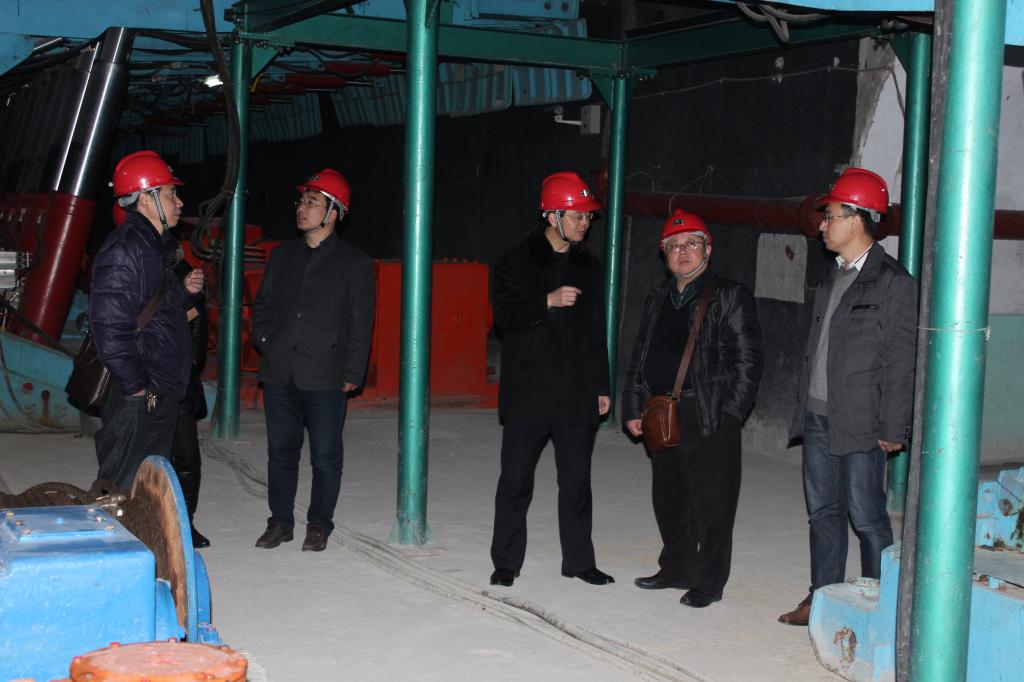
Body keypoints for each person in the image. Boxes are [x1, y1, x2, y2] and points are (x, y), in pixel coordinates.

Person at [778, 168, 917, 626]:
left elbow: (902, 360)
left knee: (867, 516)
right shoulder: (832, 276)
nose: (822, 224)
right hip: (818, 414)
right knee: (823, 512)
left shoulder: (893, 281)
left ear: (857, 219)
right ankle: (822, 598)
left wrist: (893, 426)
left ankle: (878, 607)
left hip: (861, 419)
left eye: (831, 215)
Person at [621, 209, 763, 608]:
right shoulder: (657, 298)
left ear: (708, 249)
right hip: (660, 411)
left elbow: (748, 360)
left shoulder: (729, 295)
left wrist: (731, 414)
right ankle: (676, 567)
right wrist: (632, 405)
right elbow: (639, 355)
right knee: (669, 496)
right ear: (663, 252)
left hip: (708, 413)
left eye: (692, 244)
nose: (682, 252)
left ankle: (709, 580)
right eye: (674, 246)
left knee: (712, 502)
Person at [489, 171, 614, 588]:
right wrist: (547, 301)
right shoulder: (514, 261)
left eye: (588, 217)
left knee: (577, 481)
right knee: (515, 480)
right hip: (528, 392)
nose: (585, 224)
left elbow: (595, 331)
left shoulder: (588, 266)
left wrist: (601, 385)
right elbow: (504, 317)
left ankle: (579, 561)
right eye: (578, 216)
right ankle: (506, 561)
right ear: (552, 216)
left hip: (576, 393)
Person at [252, 168, 375, 553]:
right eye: (301, 201)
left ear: (333, 213)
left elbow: (361, 322)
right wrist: (267, 341)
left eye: (312, 202)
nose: (301, 209)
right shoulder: (283, 255)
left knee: (325, 456)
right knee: (280, 453)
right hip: (280, 373)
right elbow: (263, 305)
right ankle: (280, 521)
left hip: (326, 375)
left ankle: (319, 524)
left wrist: (353, 371)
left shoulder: (354, 263)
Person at [91, 151, 204, 492]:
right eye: (171, 193)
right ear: (145, 198)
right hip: (142, 392)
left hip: (158, 387)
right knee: (124, 491)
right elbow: (110, 330)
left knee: (147, 491)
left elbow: (159, 311)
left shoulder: (152, 247)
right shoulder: (125, 250)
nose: (179, 202)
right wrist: (138, 388)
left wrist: (184, 293)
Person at [170, 256, 210, 548]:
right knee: (142, 456)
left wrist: (191, 361)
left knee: (186, 457)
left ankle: (185, 522)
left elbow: (197, 319)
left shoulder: (180, 267)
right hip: (140, 378)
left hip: (178, 379)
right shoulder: (129, 259)